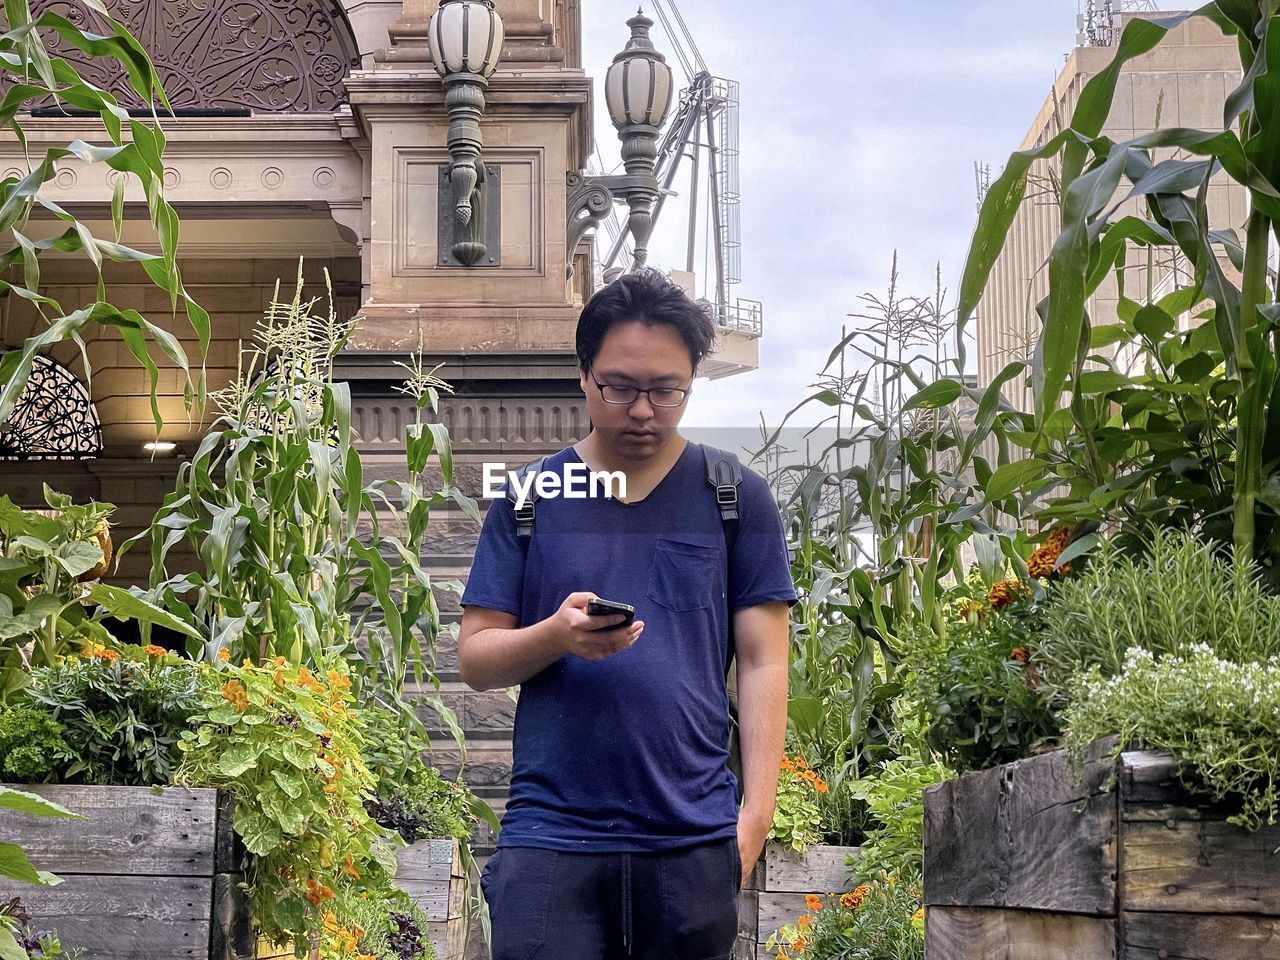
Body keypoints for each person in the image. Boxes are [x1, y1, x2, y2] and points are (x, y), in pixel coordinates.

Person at [458, 268, 797, 960]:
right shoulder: (529, 499)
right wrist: (556, 636)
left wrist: (755, 817)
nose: (643, 410)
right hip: (549, 835)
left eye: (666, 389)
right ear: (584, 377)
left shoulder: (736, 499)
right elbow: (475, 659)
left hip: (690, 835)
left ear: (692, 381)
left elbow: (765, 660)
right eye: (620, 386)